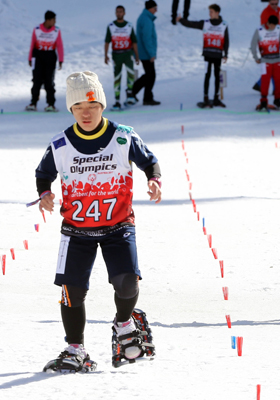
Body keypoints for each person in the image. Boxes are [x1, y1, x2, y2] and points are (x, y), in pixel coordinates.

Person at [34, 71, 162, 371]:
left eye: (91, 104)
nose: (86, 112)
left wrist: (154, 180)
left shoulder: (123, 136)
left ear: (102, 105)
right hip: (76, 231)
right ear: (71, 109)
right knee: (71, 292)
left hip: (118, 227)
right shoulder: (60, 144)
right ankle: (75, 348)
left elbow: (149, 161)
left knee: (128, 282)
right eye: (78, 106)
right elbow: (43, 174)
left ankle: (124, 323)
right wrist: (44, 193)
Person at [177, 3, 229, 108]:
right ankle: (206, 97)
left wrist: (226, 54)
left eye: (211, 12)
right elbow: (192, 24)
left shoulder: (223, 25)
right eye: (209, 12)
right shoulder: (206, 23)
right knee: (207, 75)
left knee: (216, 76)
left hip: (218, 54)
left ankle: (216, 97)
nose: (209, 14)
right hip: (207, 54)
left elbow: (226, 40)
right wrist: (181, 20)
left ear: (217, 13)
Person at [104, 5, 140, 111]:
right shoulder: (111, 26)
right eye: (117, 12)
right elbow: (107, 42)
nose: (119, 13)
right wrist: (105, 55)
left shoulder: (129, 26)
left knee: (130, 74)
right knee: (117, 77)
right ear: (115, 13)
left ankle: (130, 95)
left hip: (128, 53)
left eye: (121, 12)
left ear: (124, 13)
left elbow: (134, 41)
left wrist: (136, 55)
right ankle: (117, 101)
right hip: (116, 54)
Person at [26, 10, 64, 112]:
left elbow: (59, 45)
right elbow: (32, 44)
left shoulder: (56, 30)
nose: (55, 22)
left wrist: (61, 60)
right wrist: (30, 58)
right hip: (38, 55)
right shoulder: (37, 29)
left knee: (49, 81)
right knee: (36, 80)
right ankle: (33, 103)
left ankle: (51, 104)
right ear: (48, 20)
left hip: (50, 56)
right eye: (53, 20)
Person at [250, 15, 280, 111]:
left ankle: (278, 99)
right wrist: (256, 57)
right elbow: (253, 44)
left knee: (279, 79)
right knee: (265, 81)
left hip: (276, 60)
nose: (274, 27)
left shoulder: (278, 29)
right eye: (272, 25)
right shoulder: (260, 30)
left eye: (275, 25)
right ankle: (263, 101)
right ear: (268, 23)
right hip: (265, 61)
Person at [253, 0, 280, 95]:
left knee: (274, 66)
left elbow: (277, 29)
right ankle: (274, 88)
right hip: (269, 43)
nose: (274, 6)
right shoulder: (266, 13)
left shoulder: (276, 11)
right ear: (269, 3)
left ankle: (260, 85)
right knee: (271, 66)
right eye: (272, 4)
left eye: (276, 4)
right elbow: (266, 29)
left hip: (275, 41)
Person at [132, 1, 160, 106]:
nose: (156, 11)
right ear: (150, 8)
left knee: (150, 75)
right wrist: (151, 53)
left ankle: (144, 96)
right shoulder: (146, 20)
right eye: (155, 8)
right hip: (146, 53)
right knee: (151, 75)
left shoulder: (144, 17)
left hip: (144, 52)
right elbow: (147, 38)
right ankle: (134, 92)